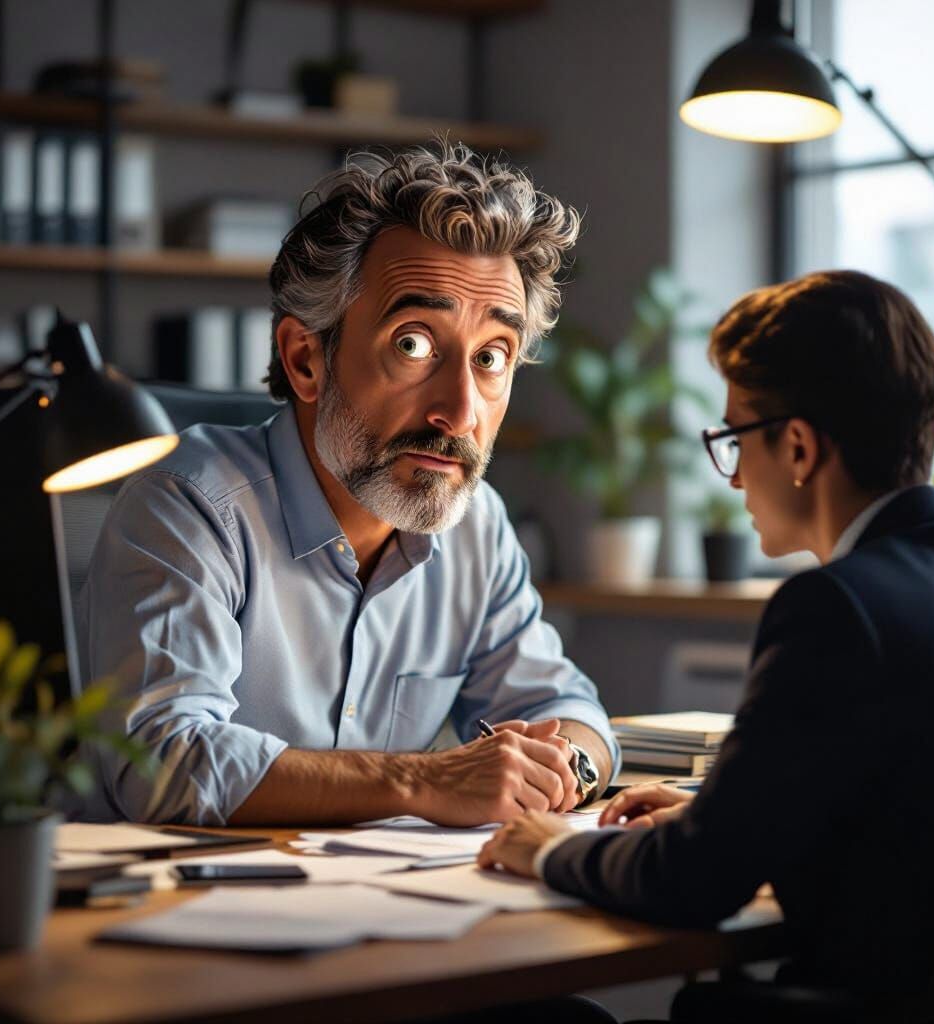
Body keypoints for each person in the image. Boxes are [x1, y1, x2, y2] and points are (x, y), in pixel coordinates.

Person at [479, 270, 934, 1018]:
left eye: (734, 438)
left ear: (799, 448)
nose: (735, 478)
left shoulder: (836, 607)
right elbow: (916, 802)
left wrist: (548, 846)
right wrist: (716, 811)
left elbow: (691, 882)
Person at [78, 143, 620, 827]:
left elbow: (565, 709)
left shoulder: (476, 526)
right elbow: (163, 762)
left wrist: (565, 766)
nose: (460, 412)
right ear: (306, 359)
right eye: (413, 344)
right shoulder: (189, 506)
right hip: (168, 889)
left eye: (491, 357)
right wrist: (425, 781)